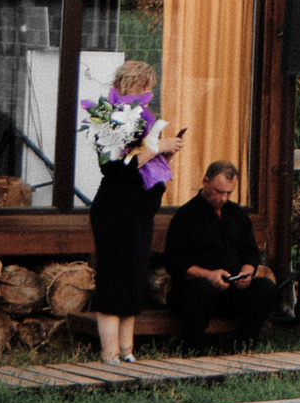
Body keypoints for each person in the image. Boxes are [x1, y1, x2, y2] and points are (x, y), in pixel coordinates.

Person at [89, 59, 183, 365]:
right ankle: (109, 354)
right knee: (113, 279)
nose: (150, 94)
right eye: (148, 88)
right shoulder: (110, 117)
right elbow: (114, 166)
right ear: (138, 85)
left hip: (140, 210)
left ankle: (127, 351)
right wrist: (157, 146)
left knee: (133, 278)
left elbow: (143, 161)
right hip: (116, 210)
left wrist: (164, 152)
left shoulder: (142, 116)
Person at [164, 161, 277, 347]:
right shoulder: (185, 216)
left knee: (265, 287)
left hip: (232, 289)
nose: (223, 198)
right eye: (218, 191)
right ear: (205, 181)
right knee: (201, 288)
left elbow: (251, 253)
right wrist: (209, 275)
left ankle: (243, 345)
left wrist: (246, 273)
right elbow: (175, 262)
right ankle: (193, 347)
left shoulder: (237, 214)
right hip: (194, 292)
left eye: (229, 193)